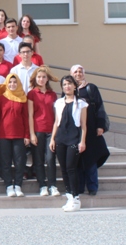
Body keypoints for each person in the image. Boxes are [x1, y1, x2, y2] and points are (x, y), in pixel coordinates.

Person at [71, 64, 110, 196]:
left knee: (91, 159)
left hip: (91, 129)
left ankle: (92, 187)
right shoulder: (69, 89)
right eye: (75, 72)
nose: (78, 74)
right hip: (75, 131)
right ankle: (80, 187)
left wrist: (100, 126)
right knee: (78, 160)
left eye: (80, 71)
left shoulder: (91, 88)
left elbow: (99, 107)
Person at [50, 75, 87, 212]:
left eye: (69, 84)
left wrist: (82, 141)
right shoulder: (59, 103)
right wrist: (52, 139)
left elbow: (83, 125)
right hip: (61, 138)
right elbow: (56, 122)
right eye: (64, 84)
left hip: (74, 138)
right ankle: (69, 196)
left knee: (71, 168)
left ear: (75, 86)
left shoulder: (81, 103)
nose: (67, 86)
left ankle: (76, 197)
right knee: (64, 168)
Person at [0, 74, 29, 198]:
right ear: (6, 84)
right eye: (10, 82)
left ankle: (18, 186)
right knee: (5, 162)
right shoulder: (1, 99)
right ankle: (8, 186)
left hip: (19, 135)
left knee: (19, 161)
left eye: (15, 82)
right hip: (3, 135)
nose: (12, 84)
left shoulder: (22, 98)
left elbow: (26, 118)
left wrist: (27, 135)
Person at [28, 66, 60, 197]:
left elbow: (56, 115)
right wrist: (31, 134)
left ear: (47, 79)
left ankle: (52, 185)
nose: (41, 79)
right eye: (39, 77)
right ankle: (42, 185)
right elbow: (30, 115)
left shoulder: (53, 95)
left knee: (50, 158)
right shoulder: (32, 94)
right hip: (37, 130)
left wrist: (54, 135)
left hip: (50, 131)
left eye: (43, 77)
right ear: (35, 79)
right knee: (38, 159)